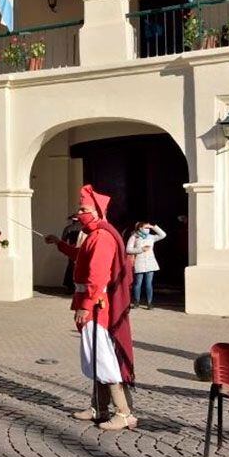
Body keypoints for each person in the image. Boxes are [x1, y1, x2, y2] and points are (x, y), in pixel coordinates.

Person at [45, 184, 136, 431]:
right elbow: (81, 256)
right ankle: (99, 407)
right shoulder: (93, 235)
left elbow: (97, 276)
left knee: (103, 359)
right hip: (93, 306)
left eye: (84, 208)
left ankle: (124, 412)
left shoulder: (102, 237)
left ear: (97, 211)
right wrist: (59, 244)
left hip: (97, 308)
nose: (80, 212)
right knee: (95, 358)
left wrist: (86, 305)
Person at [126, 222, 166, 309]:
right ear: (140, 228)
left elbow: (163, 235)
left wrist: (152, 226)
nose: (147, 229)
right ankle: (136, 302)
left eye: (148, 228)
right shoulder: (134, 237)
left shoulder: (151, 237)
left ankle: (149, 303)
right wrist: (140, 249)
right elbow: (128, 249)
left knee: (149, 283)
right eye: (145, 227)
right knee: (138, 283)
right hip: (139, 262)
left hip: (150, 263)